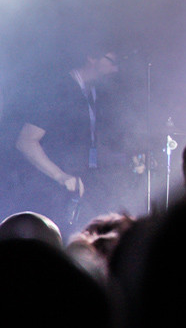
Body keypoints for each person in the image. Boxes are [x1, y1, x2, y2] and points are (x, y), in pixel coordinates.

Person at [12, 46, 121, 231]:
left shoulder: (96, 93)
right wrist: (60, 176)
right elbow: (26, 142)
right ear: (91, 58)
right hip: (48, 192)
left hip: (79, 187)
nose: (116, 69)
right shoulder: (58, 89)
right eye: (112, 62)